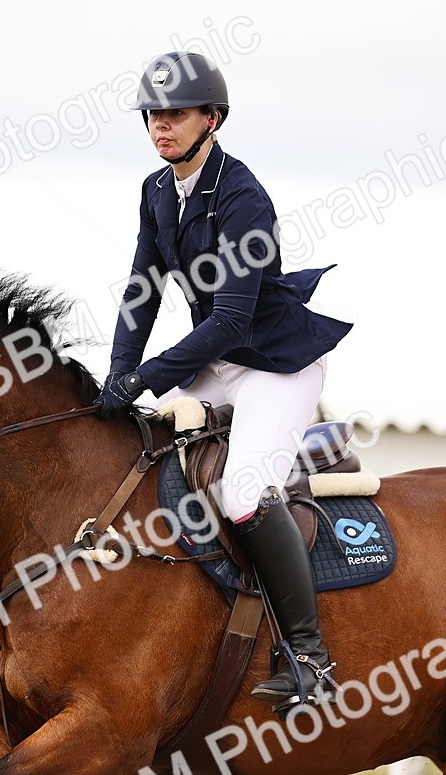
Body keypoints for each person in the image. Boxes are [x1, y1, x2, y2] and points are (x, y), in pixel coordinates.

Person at [93, 51, 352, 710]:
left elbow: (233, 321)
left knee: (243, 492)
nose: (161, 126)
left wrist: (150, 375)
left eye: (175, 114)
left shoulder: (242, 196)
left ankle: (311, 659)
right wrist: (119, 375)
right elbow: (141, 290)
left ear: (212, 118)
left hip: (272, 362)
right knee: (141, 453)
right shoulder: (157, 191)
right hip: (215, 362)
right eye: (153, 115)